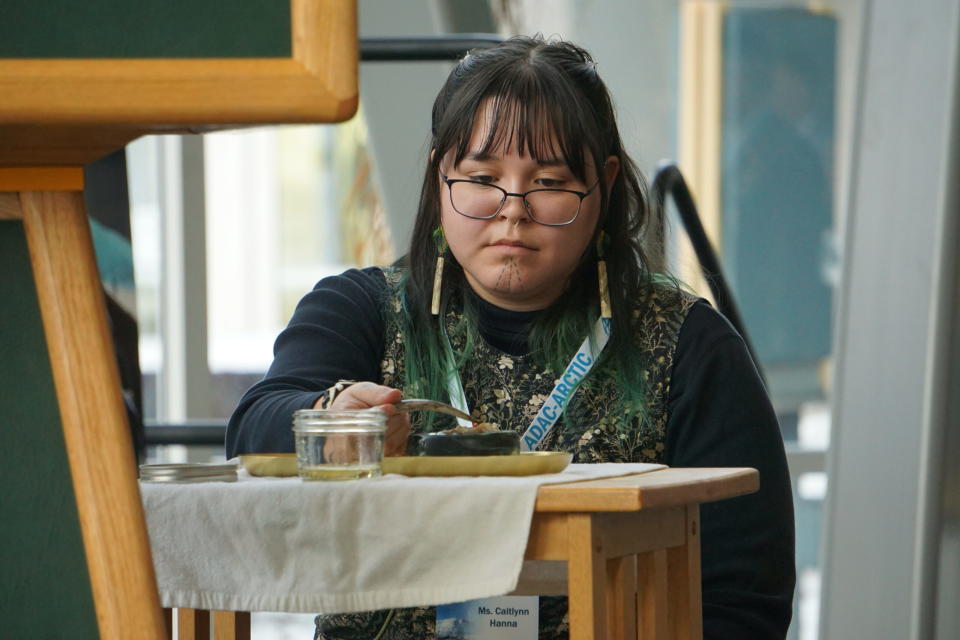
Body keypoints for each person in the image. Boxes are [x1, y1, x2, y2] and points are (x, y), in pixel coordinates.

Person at [226, 35, 795, 640]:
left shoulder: (689, 345)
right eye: (481, 177)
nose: (513, 209)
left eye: (549, 181)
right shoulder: (361, 309)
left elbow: (744, 598)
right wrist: (336, 422)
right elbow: (253, 428)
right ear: (439, 176)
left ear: (601, 186)